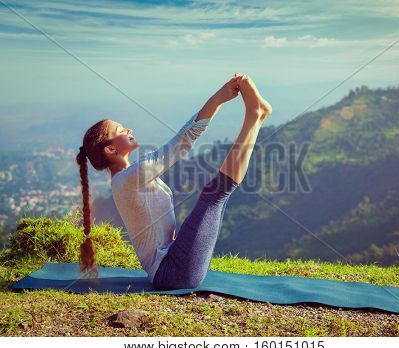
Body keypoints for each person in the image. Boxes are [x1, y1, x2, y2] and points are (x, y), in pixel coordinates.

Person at [75, 73, 272, 289]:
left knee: (215, 196)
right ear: (111, 149)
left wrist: (219, 98)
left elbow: (184, 138)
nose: (129, 130)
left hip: (174, 264)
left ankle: (256, 116)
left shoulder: (127, 178)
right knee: (214, 195)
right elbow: (182, 141)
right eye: (121, 130)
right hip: (171, 274)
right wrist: (218, 98)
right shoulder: (127, 179)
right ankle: (255, 116)